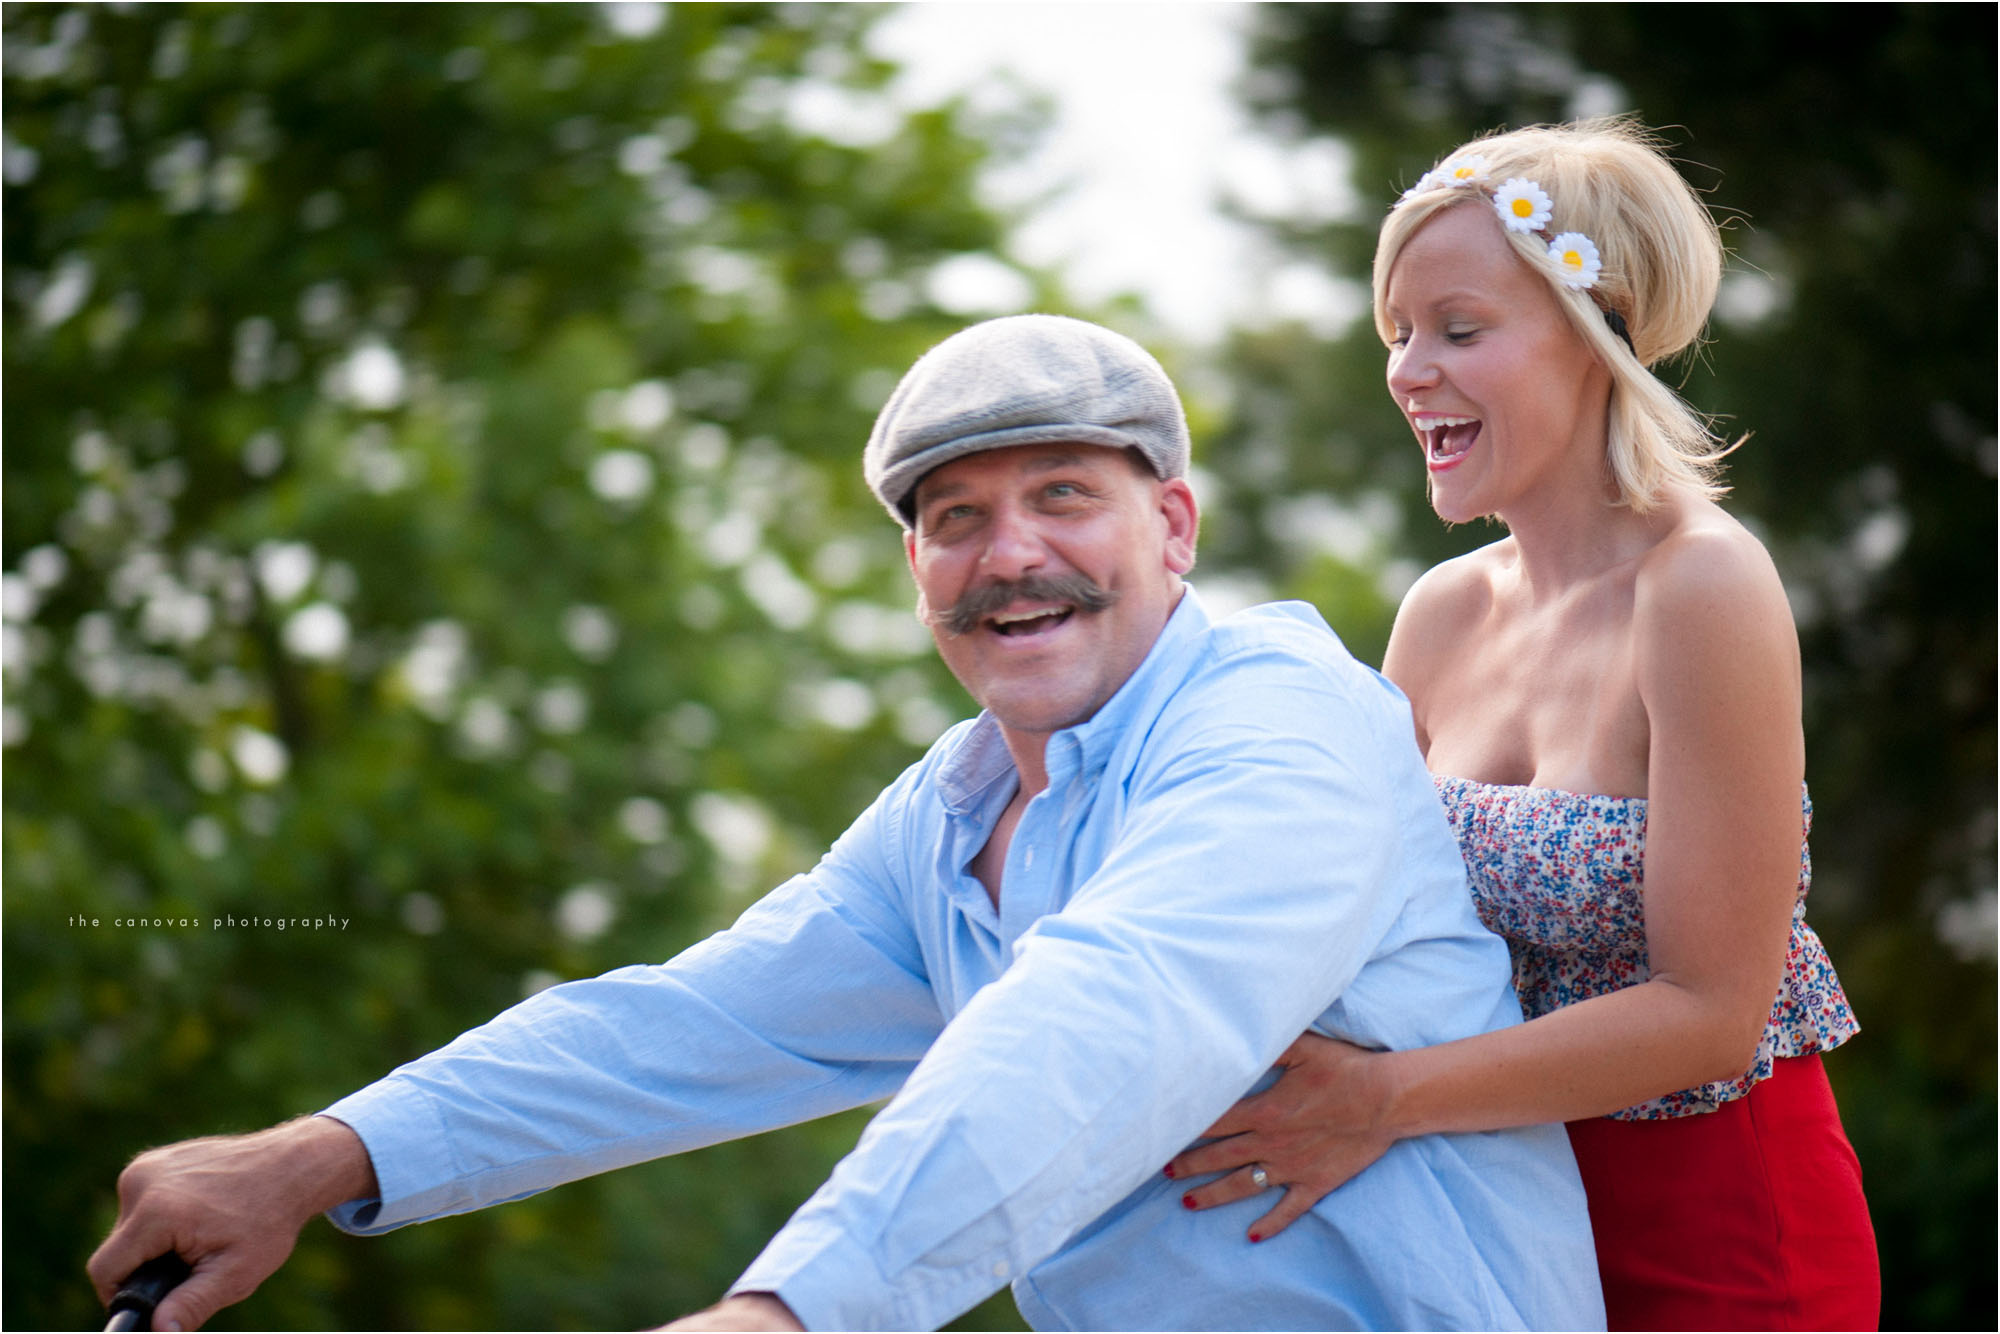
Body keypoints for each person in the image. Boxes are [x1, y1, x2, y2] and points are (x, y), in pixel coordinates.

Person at [88, 314, 1603, 1332]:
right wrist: (311, 1154)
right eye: (955, 519)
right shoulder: (953, 809)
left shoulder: (1281, 725)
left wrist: (787, 1306)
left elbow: (1112, 1009)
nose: (1012, 556)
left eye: (1064, 494)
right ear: (917, 568)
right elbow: (690, 1022)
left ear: (1174, 526)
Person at [1167, 119, 1880, 1329]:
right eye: (1396, 334)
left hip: (1716, 1232)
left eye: (1457, 328)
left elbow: (1710, 1013)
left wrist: (1379, 1100)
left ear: (1595, 329)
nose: (1405, 370)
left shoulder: (1702, 586)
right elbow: (1357, 913)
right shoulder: (1438, 612)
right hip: (1486, 1211)